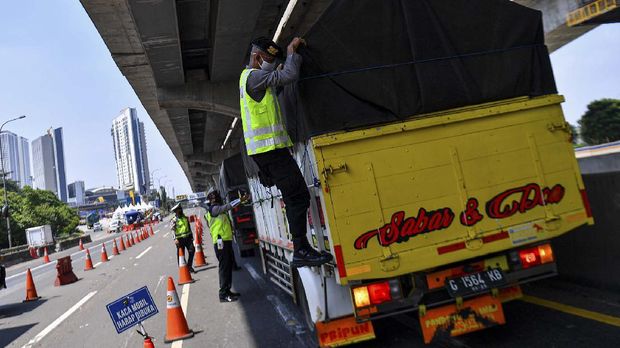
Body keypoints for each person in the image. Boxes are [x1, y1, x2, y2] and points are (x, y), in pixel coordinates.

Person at [239, 36, 332, 267]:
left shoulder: (247, 78)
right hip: (270, 151)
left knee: (294, 196)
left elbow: (277, 81)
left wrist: (278, 68)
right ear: (257, 57)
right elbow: (290, 76)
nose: (270, 63)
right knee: (298, 195)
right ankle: (301, 249)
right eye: (268, 59)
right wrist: (292, 52)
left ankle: (302, 248)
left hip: (267, 153)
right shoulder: (255, 76)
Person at [205, 189, 244, 302]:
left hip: (224, 241)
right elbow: (227, 207)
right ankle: (223, 294)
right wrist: (239, 200)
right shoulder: (214, 209)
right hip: (220, 242)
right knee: (224, 268)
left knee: (227, 267)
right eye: (217, 196)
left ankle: (227, 291)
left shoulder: (214, 210)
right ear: (214, 198)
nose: (219, 197)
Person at [171, 203, 195, 273]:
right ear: (176, 211)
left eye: (181, 208)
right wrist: (175, 239)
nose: (181, 210)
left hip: (188, 238)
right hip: (179, 239)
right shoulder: (174, 220)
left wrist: (191, 237)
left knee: (192, 250)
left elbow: (189, 227)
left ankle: (189, 266)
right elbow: (172, 230)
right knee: (181, 255)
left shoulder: (185, 217)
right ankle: (183, 269)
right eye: (179, 209)